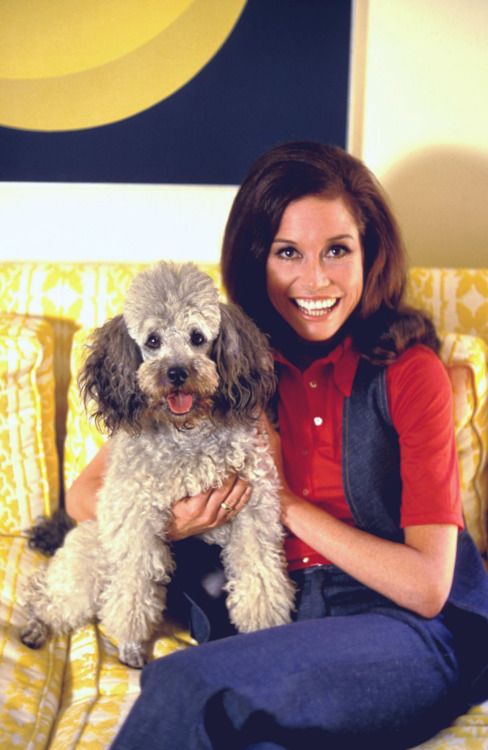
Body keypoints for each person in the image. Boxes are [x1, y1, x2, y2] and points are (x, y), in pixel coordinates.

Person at [67, 142, 488, 750]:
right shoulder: (226, 362)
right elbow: (85, 494)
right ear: (256, 258)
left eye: (337, 251)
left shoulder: (409, 373)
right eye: (288, 252)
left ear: (370, 256)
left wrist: (282, 499)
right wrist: (172, 523)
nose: (315, 280)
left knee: (186, 686)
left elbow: (426, 587)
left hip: (395, 628)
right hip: (266, 623)